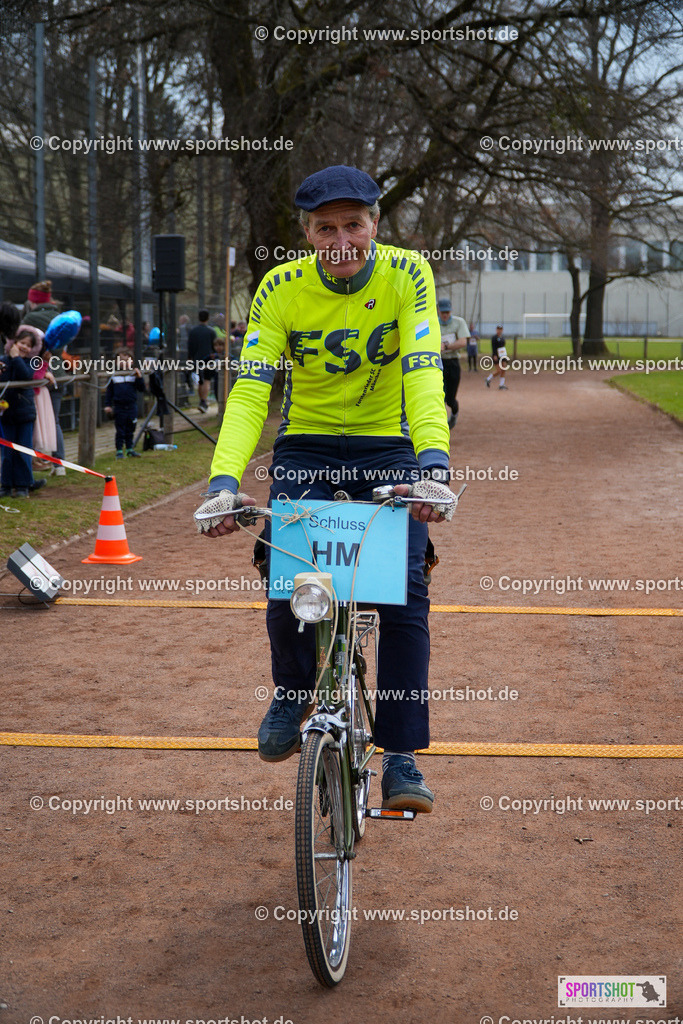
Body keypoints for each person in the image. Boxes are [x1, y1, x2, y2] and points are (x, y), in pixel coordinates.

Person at [193, 164, 456, 814]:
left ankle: (400, 754)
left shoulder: (406, 274)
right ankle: (292, 688)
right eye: (325, 228)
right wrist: (225, 481)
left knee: (403, 593)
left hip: (386, 445)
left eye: (354, 225)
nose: (341, 240)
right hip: (307, 445)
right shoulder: (280, 287)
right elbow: (253, 387)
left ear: (374, 225)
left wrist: (433, 466)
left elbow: (423, 373)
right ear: (307, 232)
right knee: (289, 574)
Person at [21, 280, 67, 472]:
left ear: (33, 301)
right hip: (58, 374)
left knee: (32, 420)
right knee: (54, 420)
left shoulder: (29, 319)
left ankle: (33, 463)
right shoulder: (59, 317)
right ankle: (60, 464)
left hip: (37, 375)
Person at [0, 305, 45, 497]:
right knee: (7, 452)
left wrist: (17, 358)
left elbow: (26, 376)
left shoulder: (29, 362)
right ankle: (5, 485)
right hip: (6, 413)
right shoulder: (4, 359)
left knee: (24, 450)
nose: (24, 347)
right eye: (21, 343)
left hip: (25, 413)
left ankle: (23, 485)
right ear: (14, 342)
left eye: (28, 345)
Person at [104, 349, 145, 458]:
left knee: (131, 428)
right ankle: (119, 451)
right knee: (120, 430)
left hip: (131, 406)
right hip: (119, 407)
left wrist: (139, 377)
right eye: (121, 360)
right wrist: (108, 405)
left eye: (126, 360)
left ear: (131, 362)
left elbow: (142, 389)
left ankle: (129, 449)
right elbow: (109, 392)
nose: (124, 363)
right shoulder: (114, 376)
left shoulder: (133, 375)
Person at [437, 297, 468, 428]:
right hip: (438, 363)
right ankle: (441, 424)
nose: (445, 315)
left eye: (447, 312)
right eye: (443, 312)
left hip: (453, 363)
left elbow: (463, 342)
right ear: (438, 311)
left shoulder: (458, 322)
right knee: (439, 397)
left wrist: (446, 346)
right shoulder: (432, 323)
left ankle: (454, 413)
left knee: (450, 399)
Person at [187, 309, 217, 412]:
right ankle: (203, 401)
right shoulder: (211, 331)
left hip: (196, 359)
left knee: (201, 380)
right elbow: (215, 346)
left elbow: (190, 346)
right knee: (207, 381)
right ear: (208, 318)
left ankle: (202, 400)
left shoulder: (193, 331)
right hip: (208, 359)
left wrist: (190, 358)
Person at [486, 325, 509, 389]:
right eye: (498, 329)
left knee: (504, 368)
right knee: (499, 370)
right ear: (496, 330)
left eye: (501, 329)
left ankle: (501, 384)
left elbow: (503, 347)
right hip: (496, 355)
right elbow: (493, 347)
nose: (499, 330)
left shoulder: (502, 337)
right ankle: (488, 379)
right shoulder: (494, 337)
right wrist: (494, 355)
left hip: (503, 355)